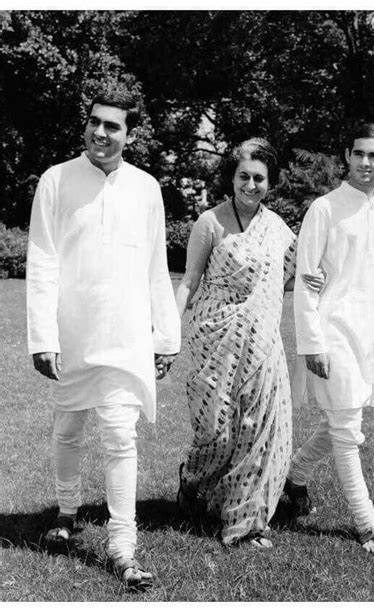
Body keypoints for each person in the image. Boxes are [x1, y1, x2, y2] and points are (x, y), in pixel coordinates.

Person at [26, 90, 180, 589]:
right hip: (72, 333)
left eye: (113, 126)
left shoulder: (146, 188)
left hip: (126, 334)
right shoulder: (56, 180)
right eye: (95, 122)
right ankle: (66, 515)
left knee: (120, 436)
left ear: (129, 134)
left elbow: (157, 266)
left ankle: (122, 545)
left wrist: (165, 335)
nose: (101, 133)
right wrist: (43, 336)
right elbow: (43, 261)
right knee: (68, 430)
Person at [175, 138, 324, 549]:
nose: (252, 185)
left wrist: (311, 280)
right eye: (245, 176)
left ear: (269, 183)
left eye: (260, 178)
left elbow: (285, 276)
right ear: (232, 178)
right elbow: (189, 280)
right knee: (217, 432)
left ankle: (246, 521)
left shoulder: (276, 228)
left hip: (262, 341)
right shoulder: (210, 222)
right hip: (213, 338)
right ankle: (193, 479)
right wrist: (168, 332)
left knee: (260, 428)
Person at [285, 123, 374, 558]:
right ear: (346, 155)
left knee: (342, 419)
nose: (365, 162)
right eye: (358, 153)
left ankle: (295, 476)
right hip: (332, 329)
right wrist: (312, 343)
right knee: (347, 429)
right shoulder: (324, 208)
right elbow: (304, 283)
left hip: (371, 334)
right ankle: (366, 524)